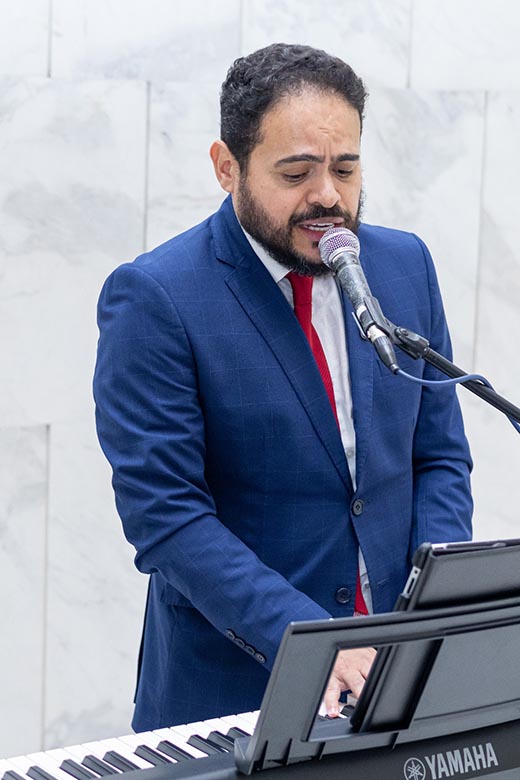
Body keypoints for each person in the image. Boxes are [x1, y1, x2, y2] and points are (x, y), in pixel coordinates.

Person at [93, 43, 472, 733]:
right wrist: (315, 644)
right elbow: (166, 517)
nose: (327, 194)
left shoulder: (405, 264)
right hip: (235, 696)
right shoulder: (155, 298)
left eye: (345, 168)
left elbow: (439, 457)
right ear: (227, 166)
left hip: (400, 684)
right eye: (296, 172)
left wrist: (428, 613)